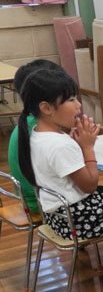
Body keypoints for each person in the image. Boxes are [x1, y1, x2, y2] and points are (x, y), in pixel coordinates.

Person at [17, 68, 103, 242]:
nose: (78, 105)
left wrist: (78, 145)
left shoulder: (35, 134)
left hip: (57, 217)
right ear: (46, 107)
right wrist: (87, 148)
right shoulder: (59, 145)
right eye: (71, 100)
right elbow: (89, 186)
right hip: (78, 219)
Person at [8, 59, 63, 215]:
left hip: (32, 198)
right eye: (68, 98)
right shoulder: (41, 128)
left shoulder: (27, 122)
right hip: (45, 202)